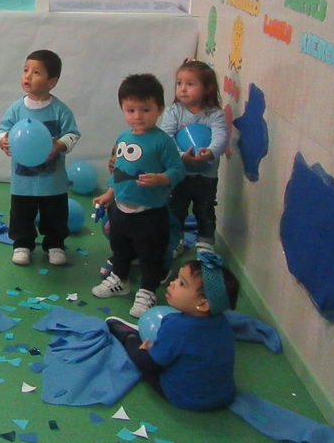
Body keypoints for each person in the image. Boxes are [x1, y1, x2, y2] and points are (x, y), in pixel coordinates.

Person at [92, 74, 186, 317]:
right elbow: (119, 172)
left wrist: (162, 179)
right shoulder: (123, 137)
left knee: (150, 254)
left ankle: (148, 291)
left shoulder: (162, 141)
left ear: (160, 109)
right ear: (123, 109)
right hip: (121, 209)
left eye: (145, 109)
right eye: (130, 109)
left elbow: (178, 170)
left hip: (149, 213)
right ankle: (120, 280)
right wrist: (109, 194)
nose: (137, 116)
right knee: (120, 248)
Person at [106, 253, 240, 411]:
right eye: (176, 278)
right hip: (224, 396)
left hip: (184, 397)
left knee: (140, 355)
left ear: (202, 304)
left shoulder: (177, 326)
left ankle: (127, 335)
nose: (172, 284)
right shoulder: (223, 322)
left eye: (182, 283)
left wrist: (142, 352)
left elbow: (151, 364)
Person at [0, 50, 81, 267]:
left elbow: (72, 134)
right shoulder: (16, 109)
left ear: (52, 82)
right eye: (26, 70)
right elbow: (3, 130)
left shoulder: (60, 110)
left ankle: (55, 244)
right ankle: (22, 244)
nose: (28, 76)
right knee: (21, 213)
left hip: (52, 180)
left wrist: (60, 145)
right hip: (22, 179)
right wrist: (3, 141)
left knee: (55, 213)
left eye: (36, 72)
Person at [159, 60, 227, 255]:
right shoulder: (174, 111)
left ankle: (205, 242)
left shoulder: (215, 114)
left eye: (190, 84)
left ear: (208, 88)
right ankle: (176, 239)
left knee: (205, 208)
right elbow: (167, 136)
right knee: (176, 208)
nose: (183, 89)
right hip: (179, 172)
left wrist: (211, 151)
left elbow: (221, 135)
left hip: (206, 176)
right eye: (179, 83)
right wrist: (181, 155)